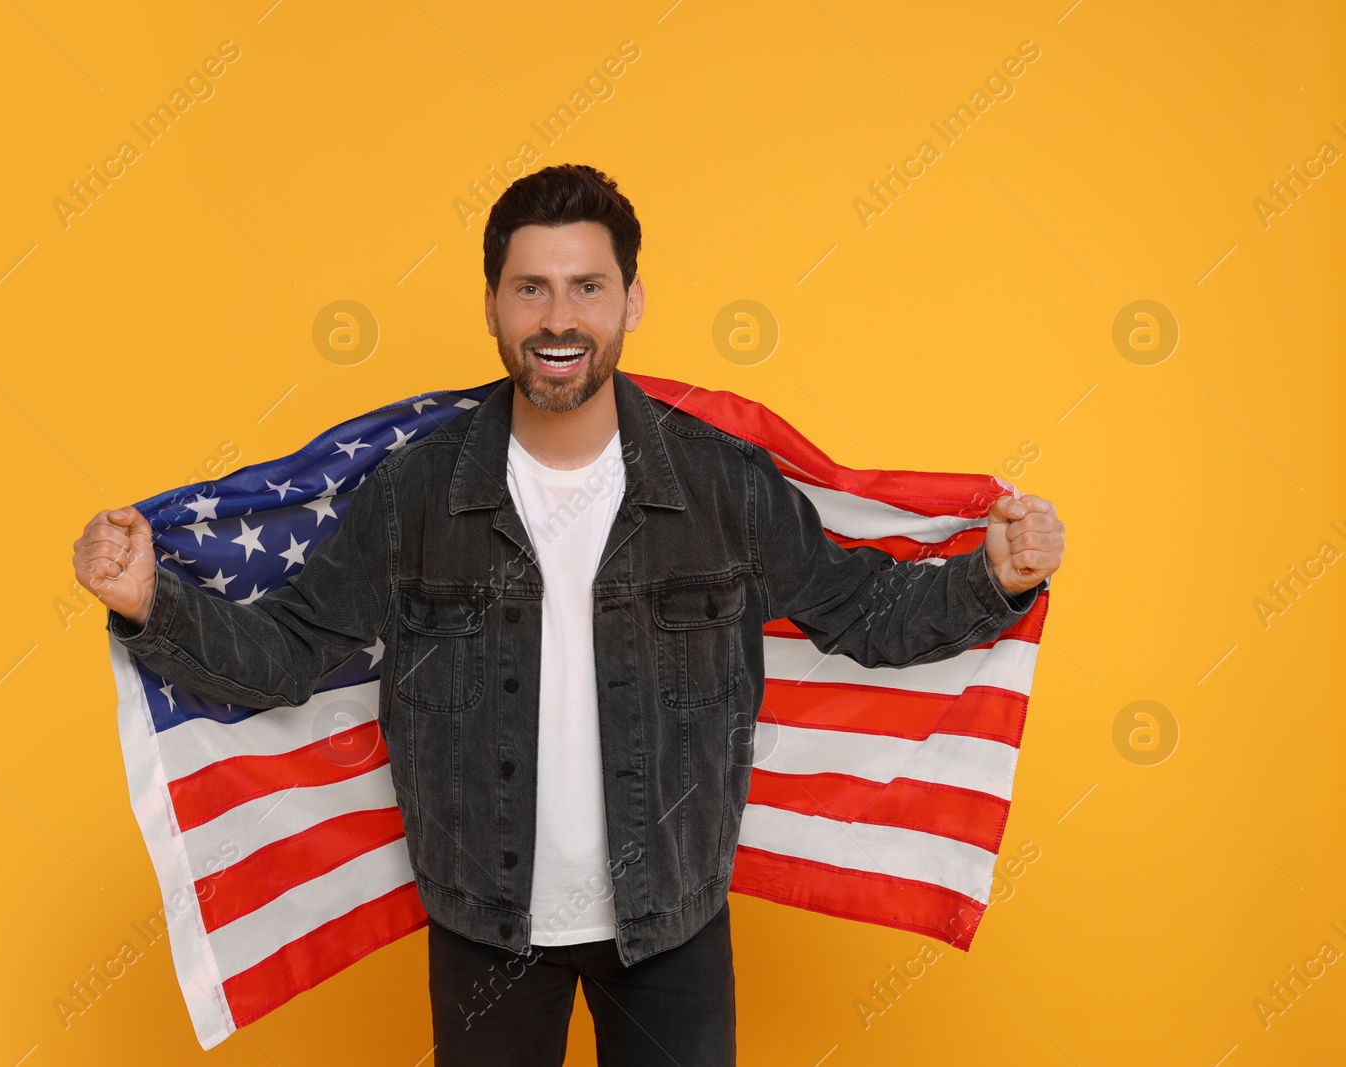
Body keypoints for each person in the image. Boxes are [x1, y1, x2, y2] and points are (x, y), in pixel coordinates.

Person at [72, 163, 1065, 1066]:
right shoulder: (415, 494)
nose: (559, 317)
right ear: (494, 308)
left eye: (587, 285)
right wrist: (150, 602)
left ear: (630, 299)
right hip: (485, 929)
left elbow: (864, 612)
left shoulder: (722, 486)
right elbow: (286, 653)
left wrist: (994, 579)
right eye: (531, 287)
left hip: (669, 927)